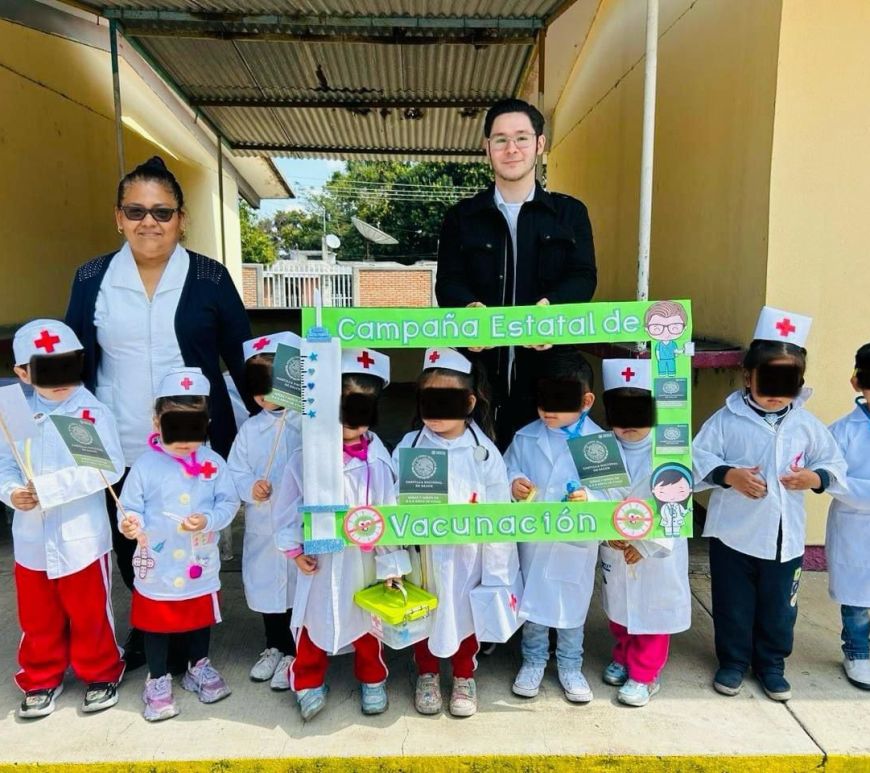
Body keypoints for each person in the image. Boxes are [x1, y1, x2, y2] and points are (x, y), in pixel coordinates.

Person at [65, 156, 253, 669]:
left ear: (181, 219)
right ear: (118, 217)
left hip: (194, 438)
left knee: (196, 530)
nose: (149, 221)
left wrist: (280, 410)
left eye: (162, 212)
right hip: (121, 433)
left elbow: (243, 354)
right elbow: (75, 358)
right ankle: (150, 625)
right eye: (136, 210)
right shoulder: (92, 277)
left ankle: (193, 631)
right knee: (135, 533)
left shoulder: (210, 276)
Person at [693, 306, 847, 701]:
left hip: (784, 539)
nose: (777, 393)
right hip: (733, 536)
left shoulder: (805, 424)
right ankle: (733, 660)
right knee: (733, 604)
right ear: (748, 377)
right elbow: (695, 462)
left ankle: (772, 664)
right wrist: (729, 475)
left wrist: (814, 478)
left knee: (780, 607)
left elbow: (834, 464)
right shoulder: (726, 420)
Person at [435, 98, 597, 448]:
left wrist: (552, 308)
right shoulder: (461, 217)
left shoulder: (569, 214)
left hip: (548, 374)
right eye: (500, 139)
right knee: (474, 463)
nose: (511, 149)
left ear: (539, 144)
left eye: (522, 138)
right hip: (477, 373)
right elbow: (447, 281)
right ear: (487, 147)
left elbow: (583, 276)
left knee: (544, 466)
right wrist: (468, 309)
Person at [274, 349, 408, 721]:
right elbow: (287, 506)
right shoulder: (306, 456)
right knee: (311, 621)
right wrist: (293, 549)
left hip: (363, 560)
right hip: (320, 558)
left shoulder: (378, 459)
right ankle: (307, 680)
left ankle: (373, 677)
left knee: (367, 620)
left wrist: (391, 565)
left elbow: (387, 513)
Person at [0, 320, 125, 718]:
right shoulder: (14, 412)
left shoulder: (88, 412)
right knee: (38, 614)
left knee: (89, 611)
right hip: (32, 536)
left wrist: (50, 489)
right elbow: (5, 464)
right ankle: (41, 676)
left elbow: (108, 468)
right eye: (46, 370)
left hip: (81, 536)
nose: (59, 380)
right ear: (23, 373)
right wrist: (10, 492)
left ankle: (101, 671)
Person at [393, 347, 516, 718]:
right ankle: (427, 673)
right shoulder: (409, 447)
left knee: (466, 614)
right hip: (424, 556)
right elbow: (391, 501)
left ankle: (464, 675)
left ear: (469, 402)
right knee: (423, 613)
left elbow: (499, 512)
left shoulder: (485, 453)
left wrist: (496, 568)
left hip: (468, 557)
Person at [118, 368, 240, 721]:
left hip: (196, 560)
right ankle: (157, 679)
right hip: (157, 564)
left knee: (198, 617)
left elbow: (228, 502)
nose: (185, 439)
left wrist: (209, 519)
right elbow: (130, 507)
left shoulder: (213, 463)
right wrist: (130, 523)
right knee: (156, 622)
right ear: (157, 423)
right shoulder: (145, 466)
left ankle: (198, 666)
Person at [504, 347, 600, 704]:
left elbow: (614, 492)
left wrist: (590, 498)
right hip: (535, 540)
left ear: (586, 401)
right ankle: (533, 661)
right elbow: (506, 468)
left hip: (574, 542)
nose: (548, 409)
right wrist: (514, 483)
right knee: (534, 603)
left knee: (572, 605)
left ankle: (571, 665)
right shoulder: (525, 437)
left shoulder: (597, 444)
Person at [596, 359, 691, 707]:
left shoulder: (671, 449)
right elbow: (593, 493)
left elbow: (677, 498)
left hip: (654, 551)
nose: (629, 423)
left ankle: (645, 674)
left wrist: (647, 546)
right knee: (620, 612)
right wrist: (605, 531)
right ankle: (623, 655)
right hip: (616, 545)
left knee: (652, 614)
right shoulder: (599, 449)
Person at [227, 332, 302, 690]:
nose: (263, 398)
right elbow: (236, 470)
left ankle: (295, 652)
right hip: (264, 523)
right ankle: (274, 646)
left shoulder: (304, 424)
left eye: (271, 389)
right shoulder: (250, 430)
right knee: (268, 589)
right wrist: (251, 487)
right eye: (257, 390)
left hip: (297, 523)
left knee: (297, 588)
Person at [825, 343, 870, 689]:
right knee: (858, 599)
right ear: (857, 382)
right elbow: (831, 477)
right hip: (856, 524)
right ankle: (858, 651)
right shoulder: (841, 431)